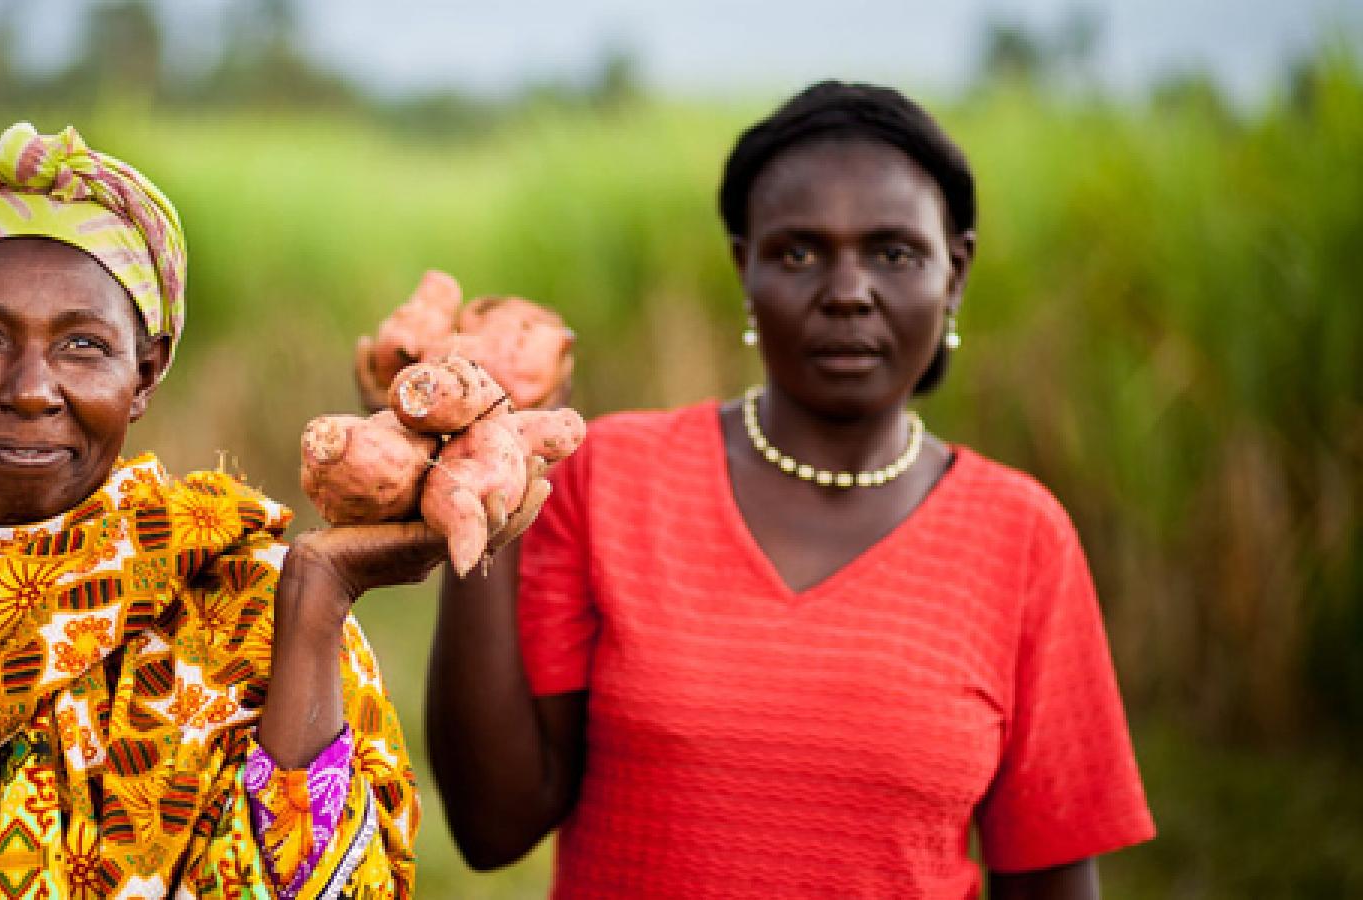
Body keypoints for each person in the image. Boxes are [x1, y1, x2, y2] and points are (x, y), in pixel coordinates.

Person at [425, 81, 1156, 897]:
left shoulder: (1022, 536)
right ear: (746, 268)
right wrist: (478, 480)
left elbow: (1051, 880)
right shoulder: (610, 477)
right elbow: (494, 828)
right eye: (800, 253)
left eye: (895, 253)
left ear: (956, 271)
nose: (848, 291)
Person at [0, 122, 451, 898]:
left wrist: (318, 596)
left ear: (146, 373)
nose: (28, 389)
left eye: (82, 346)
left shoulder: (254, 607)